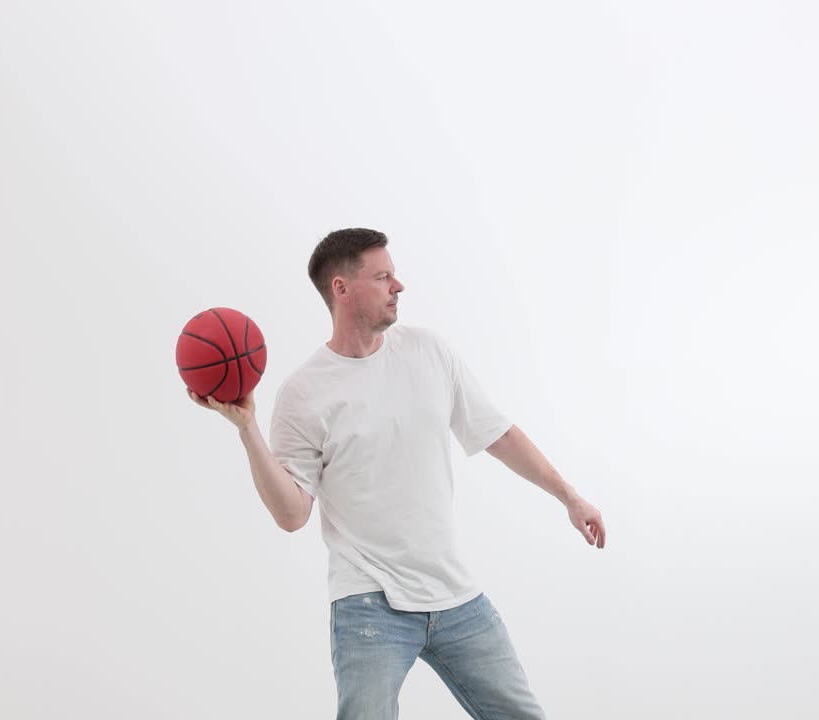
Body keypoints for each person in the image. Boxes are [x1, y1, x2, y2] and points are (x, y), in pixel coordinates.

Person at [188, 227, 605, 719]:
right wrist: (247, 429)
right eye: (383, 276)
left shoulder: (428, 352)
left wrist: (569, 496)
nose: (398, 286)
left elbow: (499, 435)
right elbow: (291, 513)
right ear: (341, 289)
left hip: (455, 596)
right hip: (369, 603)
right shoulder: (303, 393)